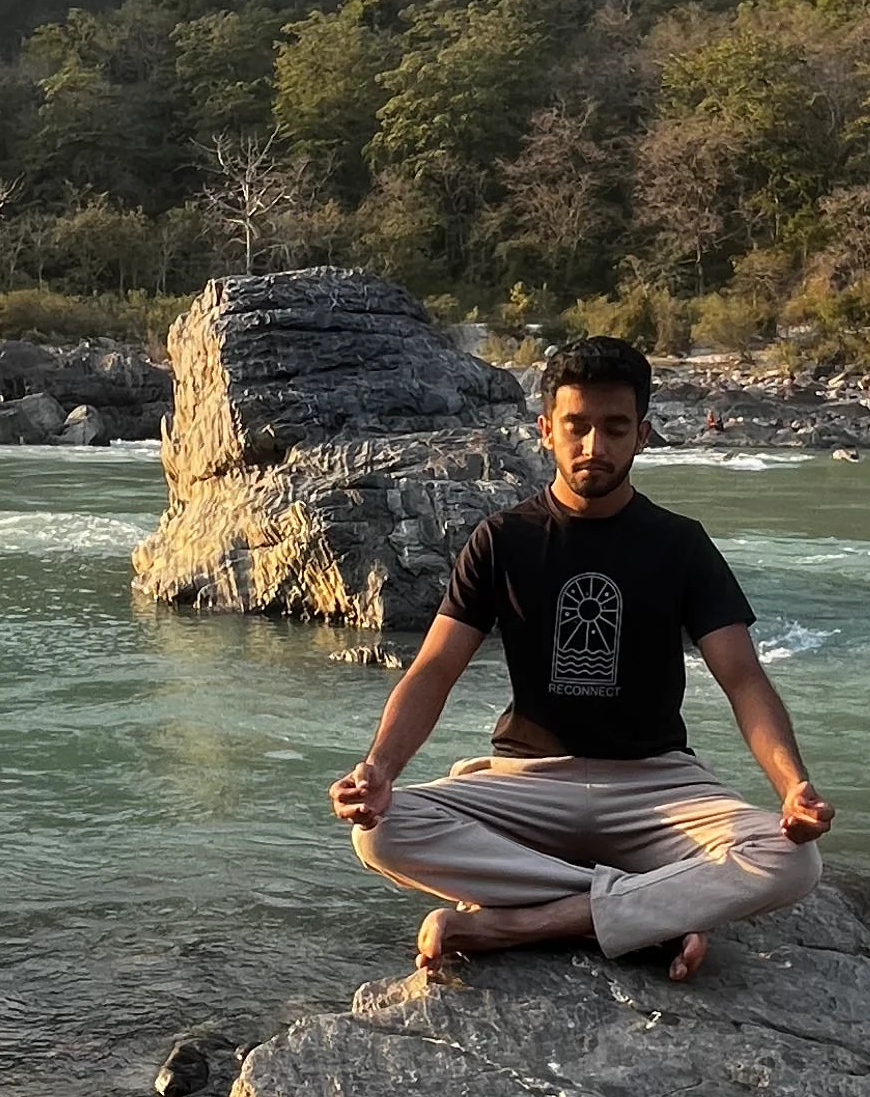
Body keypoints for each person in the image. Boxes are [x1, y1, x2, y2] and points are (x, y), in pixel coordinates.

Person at [331, 333, 832, 981]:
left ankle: (530, 920)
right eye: (577, 426)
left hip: (657, 787)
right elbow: (434, 669)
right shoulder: (502, 539)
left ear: (642, 435)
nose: (594, 445)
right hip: (527, 783)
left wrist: (792, 787)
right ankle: (649, 910)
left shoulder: (681, 545)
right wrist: (379, 769)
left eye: (615, 428)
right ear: (547, 430)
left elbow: (743, 679)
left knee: (793, 859)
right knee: (380, 830)